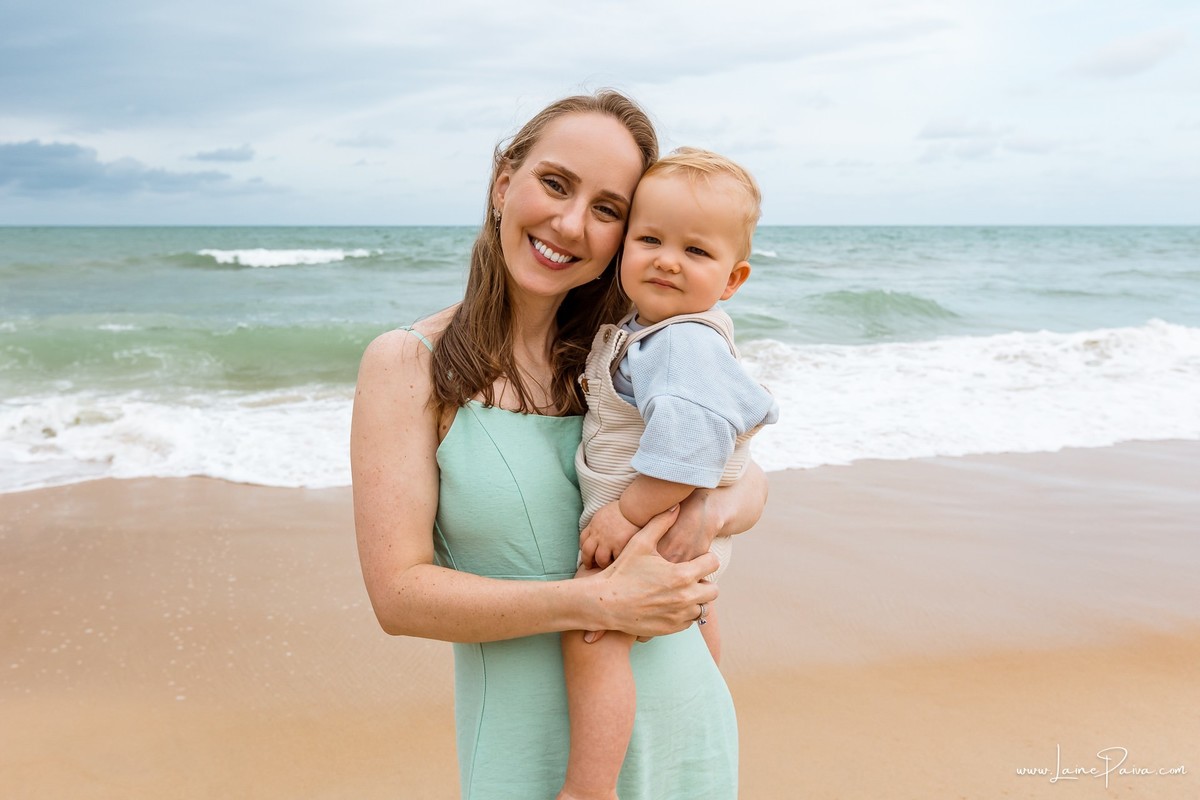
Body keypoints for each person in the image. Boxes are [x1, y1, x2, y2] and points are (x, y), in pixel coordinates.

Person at [351, 90, 768, 799]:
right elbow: (398, 598)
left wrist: (707, 517)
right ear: (502, 182)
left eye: (608, 209)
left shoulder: (631, 358)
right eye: (555, 184)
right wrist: (597, 603)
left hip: (687, 729)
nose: (571, 223)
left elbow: (747, 479)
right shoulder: (406, 365)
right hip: (535, 757)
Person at [560, 148, 778, 800]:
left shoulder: (680, 341)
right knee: (694, 609)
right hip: (671, 520)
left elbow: (692, 440)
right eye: (649, 239)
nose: (666, 259)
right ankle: (703, 704)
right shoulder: (653, 329)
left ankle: (590, 787)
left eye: (696, 252)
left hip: (648, 522)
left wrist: (624, 515)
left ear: (732, 278)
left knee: (591, 630)